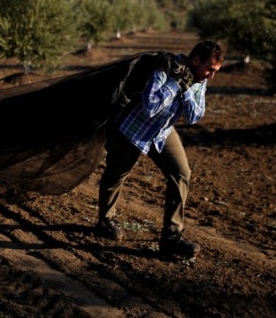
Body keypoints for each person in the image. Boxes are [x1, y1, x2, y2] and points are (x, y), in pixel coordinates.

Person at [95, 40, 224, 259]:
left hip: (163, 132)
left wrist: (185, 91)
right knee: (117, 173)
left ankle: (172, 237)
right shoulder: (165, 68)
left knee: (182, 174)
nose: (212, 75)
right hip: (133, 129)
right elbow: (150, 107)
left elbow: (194, 116)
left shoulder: (199, 79)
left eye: (215, 71)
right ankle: (105, 220)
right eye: (210, 69)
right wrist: (175, 84)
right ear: (196, 60)